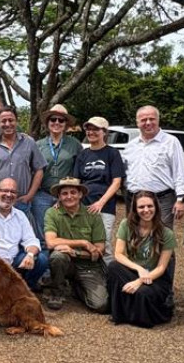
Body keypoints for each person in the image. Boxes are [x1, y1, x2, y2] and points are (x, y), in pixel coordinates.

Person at [107, 191, 176, 328]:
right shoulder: (126, 225)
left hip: (155, 277)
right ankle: (119, 312)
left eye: (150, 206)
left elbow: (162, 267)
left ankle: (141, 314)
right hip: (135, 270)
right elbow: (118, 254)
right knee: (113, 267)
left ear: (156, 207)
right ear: (135, 209)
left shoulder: (167, 233)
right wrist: (139, 270)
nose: (146, 210)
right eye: (141, 207)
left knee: (142, 292)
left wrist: (139, 281)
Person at [44, 177, 108, 312]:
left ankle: (76, 288)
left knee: (100, 305)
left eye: (73, 192)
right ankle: (57, 291)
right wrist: (83, 242)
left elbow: (100, 249)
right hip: (65, 263)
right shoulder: (52, 213)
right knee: (57, 256)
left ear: (80, 194)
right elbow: (50, 242)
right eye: (64, 193)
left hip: (88, 266)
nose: (69, 197)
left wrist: (76, 252)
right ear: (59, 197)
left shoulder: (92, 215)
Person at [122, 105, 184, 229]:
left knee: (162, 237)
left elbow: (180, 171)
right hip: (134, 200)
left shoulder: (171, 142)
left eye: (152, 119)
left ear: (158, 120)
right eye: (143, 120)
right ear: (137, 123)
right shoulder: (131, 146)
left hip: (162, 200)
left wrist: (181, 199)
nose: (148, 123)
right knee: (135, 236)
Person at [0, 107, 47, 215]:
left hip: (21, 202)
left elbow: (39, 169)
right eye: (3, 121)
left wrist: (30, 195)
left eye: (11, 120)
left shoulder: (29, 143)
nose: (7, 124)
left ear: (16, 121)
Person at [74, 116, 124, 264]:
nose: (91, 132)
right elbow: (76, 182)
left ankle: (108, 278)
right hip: (84, 206)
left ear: (104, 132)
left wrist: (100, 203)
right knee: (84, 242)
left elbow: (117, 182)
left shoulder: (112, 153)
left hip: (105, 206)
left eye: (95, 129)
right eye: (88, 129)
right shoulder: (82, 154)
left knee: (105, 244)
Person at [33, 105, 83, 241]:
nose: (56, 123)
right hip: (43, 194)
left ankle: (62, 260)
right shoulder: (38, 145)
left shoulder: (75, 145)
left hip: (66, 195)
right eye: (53, 119)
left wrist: (69, 195)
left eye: (61, 120)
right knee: (42, 231)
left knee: (65, 229)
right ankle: (44, 260)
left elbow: (79, 171)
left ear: (66, 124)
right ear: (48, 123)